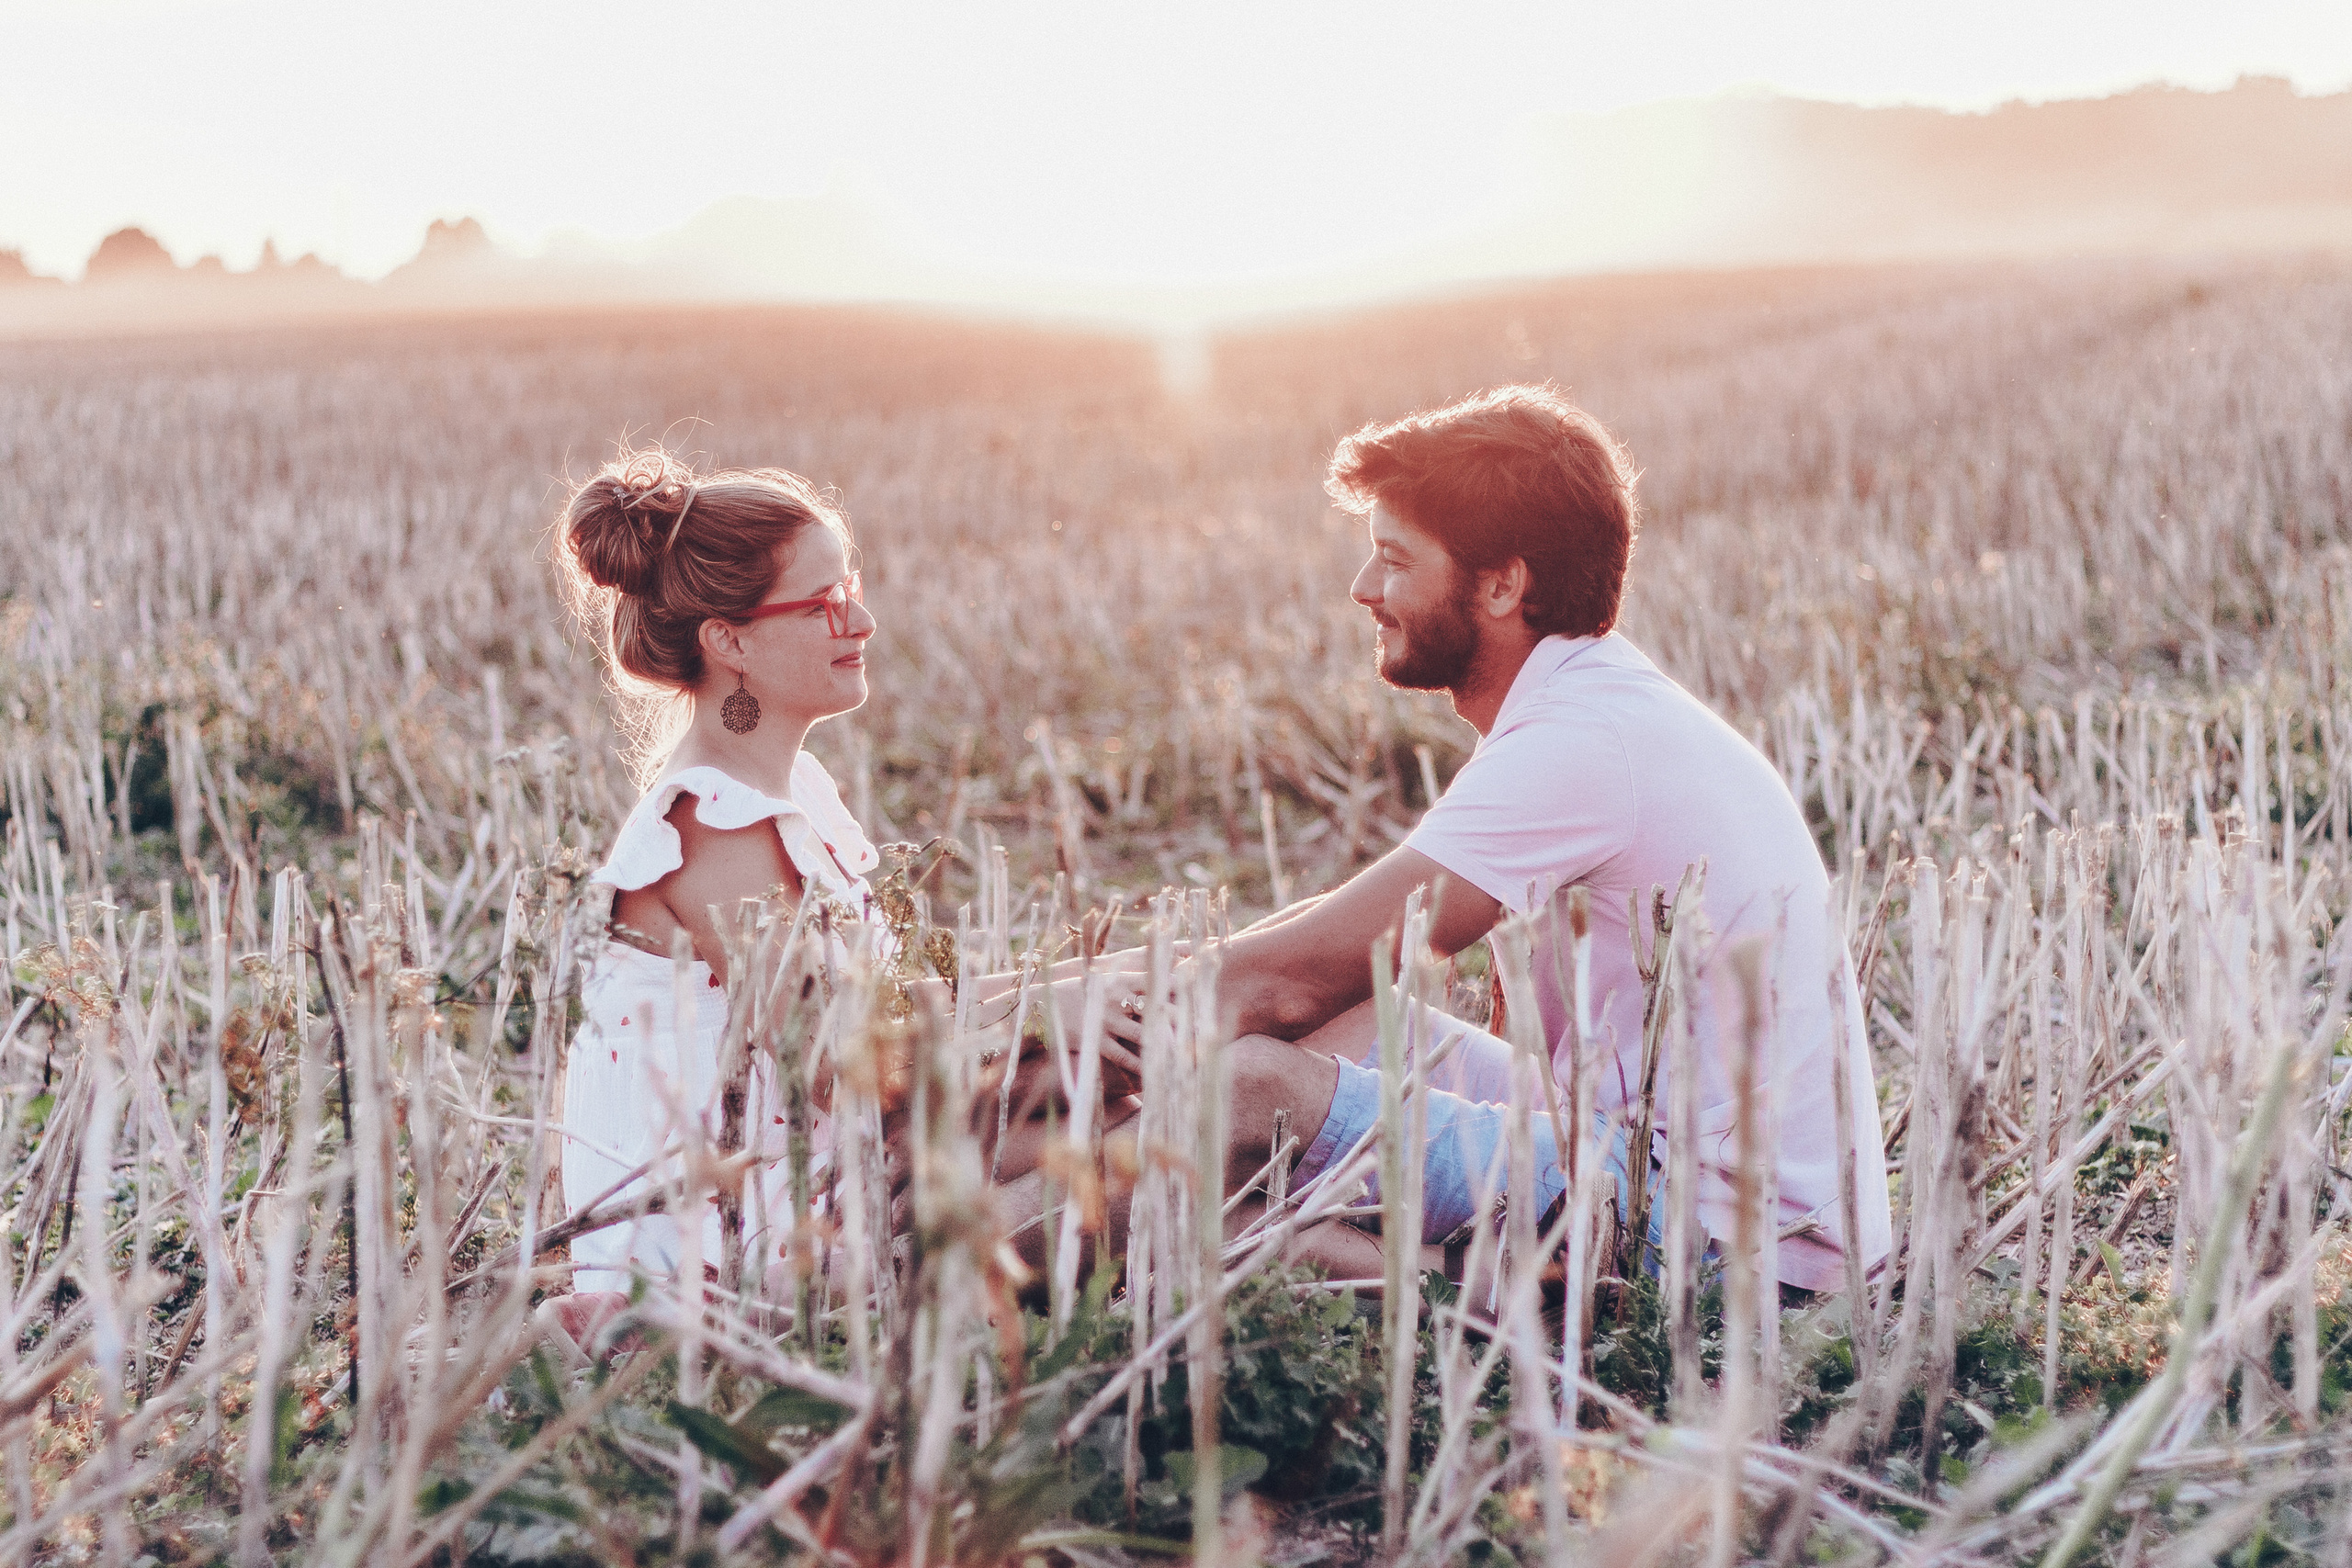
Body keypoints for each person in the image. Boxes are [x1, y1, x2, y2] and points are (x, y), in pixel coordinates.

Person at [1109, 384, 1894, 1295]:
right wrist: (1029, 1005)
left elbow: (1283, 983)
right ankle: (1443, 1275)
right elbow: (1313, 957)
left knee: (1250, 1090)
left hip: (1731, 1233)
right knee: (1334, 1030)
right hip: (1620, 1141)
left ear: (1501, 584)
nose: (1364, 589)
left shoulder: (1583, 740)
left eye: (1394, 560)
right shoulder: (1586, 702)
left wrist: (1009, 1045)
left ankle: (977, 1253)